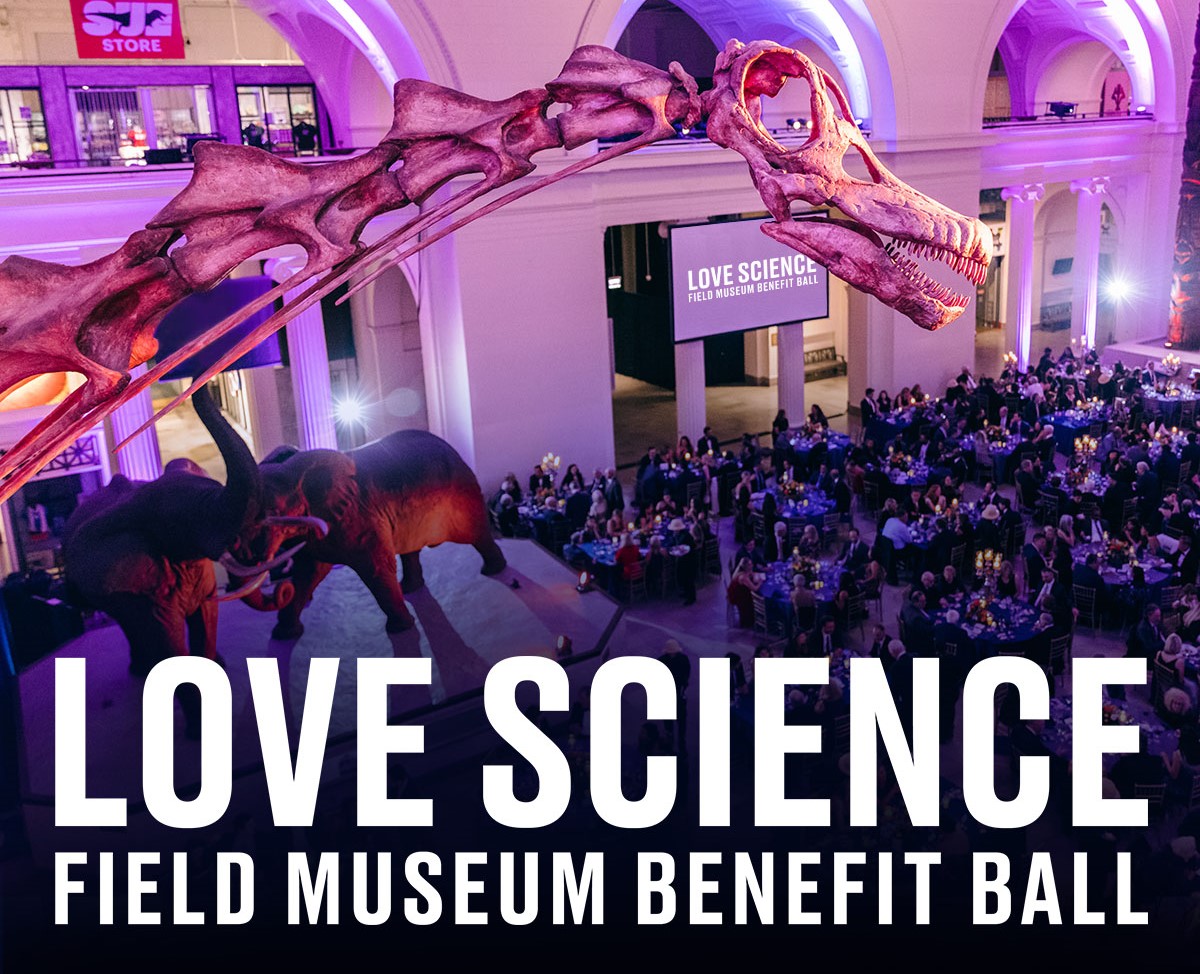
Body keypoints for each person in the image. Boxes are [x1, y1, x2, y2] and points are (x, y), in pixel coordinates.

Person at [658, 639, 691, 749]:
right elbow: (687, 673)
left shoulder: (662, 661)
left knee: (676, 715)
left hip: (672, 692)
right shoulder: (683, 659)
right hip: (675, 692)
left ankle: (673, 734)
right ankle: (676, 734)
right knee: (678, 715)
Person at [728, 558, 762, 629]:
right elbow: (755, 588)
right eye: (749, 564)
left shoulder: (743, 572)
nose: (752, 565)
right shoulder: (743, 577)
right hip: (738, 597)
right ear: (745, 566)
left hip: (740, 592)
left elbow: (751, 574)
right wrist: (760, 582)